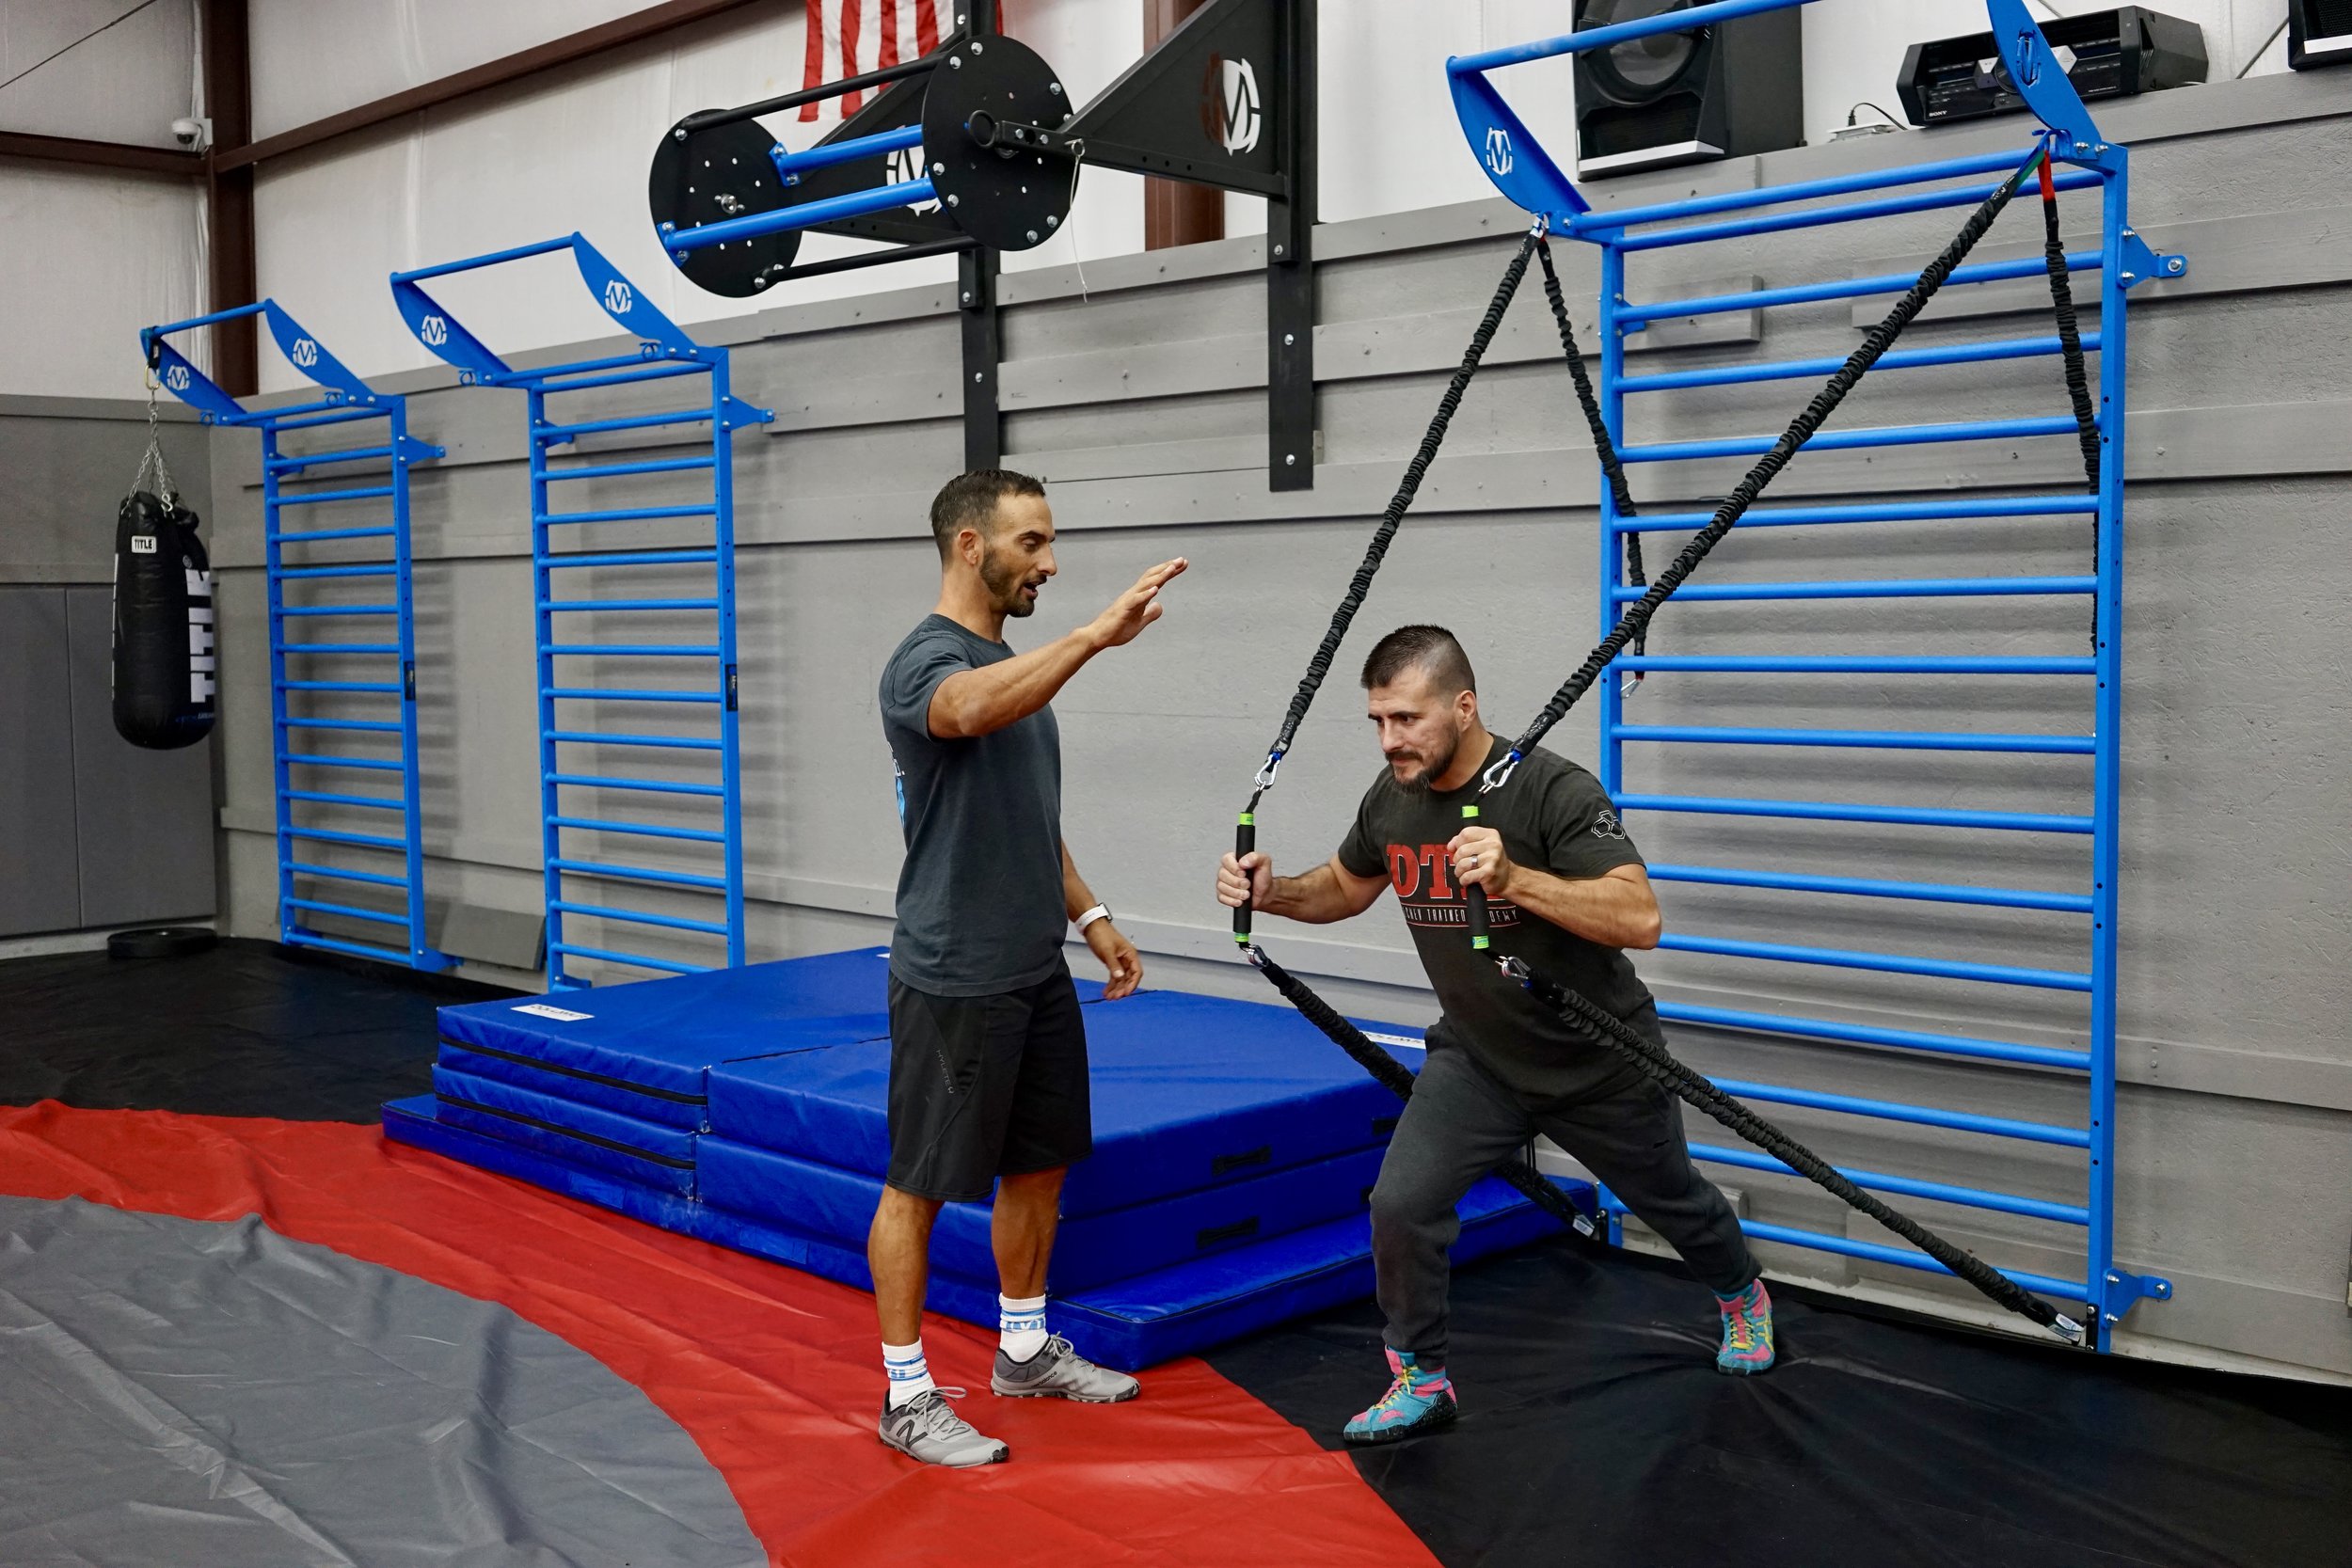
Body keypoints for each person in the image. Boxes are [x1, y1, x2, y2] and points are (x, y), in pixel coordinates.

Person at [1215, 624, 1772, 1446]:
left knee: (1674, 1200)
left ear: (1464, 705)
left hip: (1596, 1057)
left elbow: (1639, 917)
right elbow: (1343, 885)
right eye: (1377, 721)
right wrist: (1273, 892)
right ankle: (1421, 1376)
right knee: (1400, 1203)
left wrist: (1516, 878)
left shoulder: (1551, 790)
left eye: (1406, 718)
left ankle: (1742, 1295)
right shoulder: (1393, 796)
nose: (1389, 739)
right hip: (1479, 1058)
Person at [872, 468, 1187, 1467]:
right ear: (971, 544)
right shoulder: (925, 660)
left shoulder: (1013, 661)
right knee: (917, 1185)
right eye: (1032, 543)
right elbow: (963, 712)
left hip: (1033, 965)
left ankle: (1022, 1348)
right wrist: (1093, 635)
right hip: (953, 972)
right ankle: (907, 1394)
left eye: (1050, 543)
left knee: (1040, 1167)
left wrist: (1089, 915)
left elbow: (1025, 814)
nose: (1048, 562)